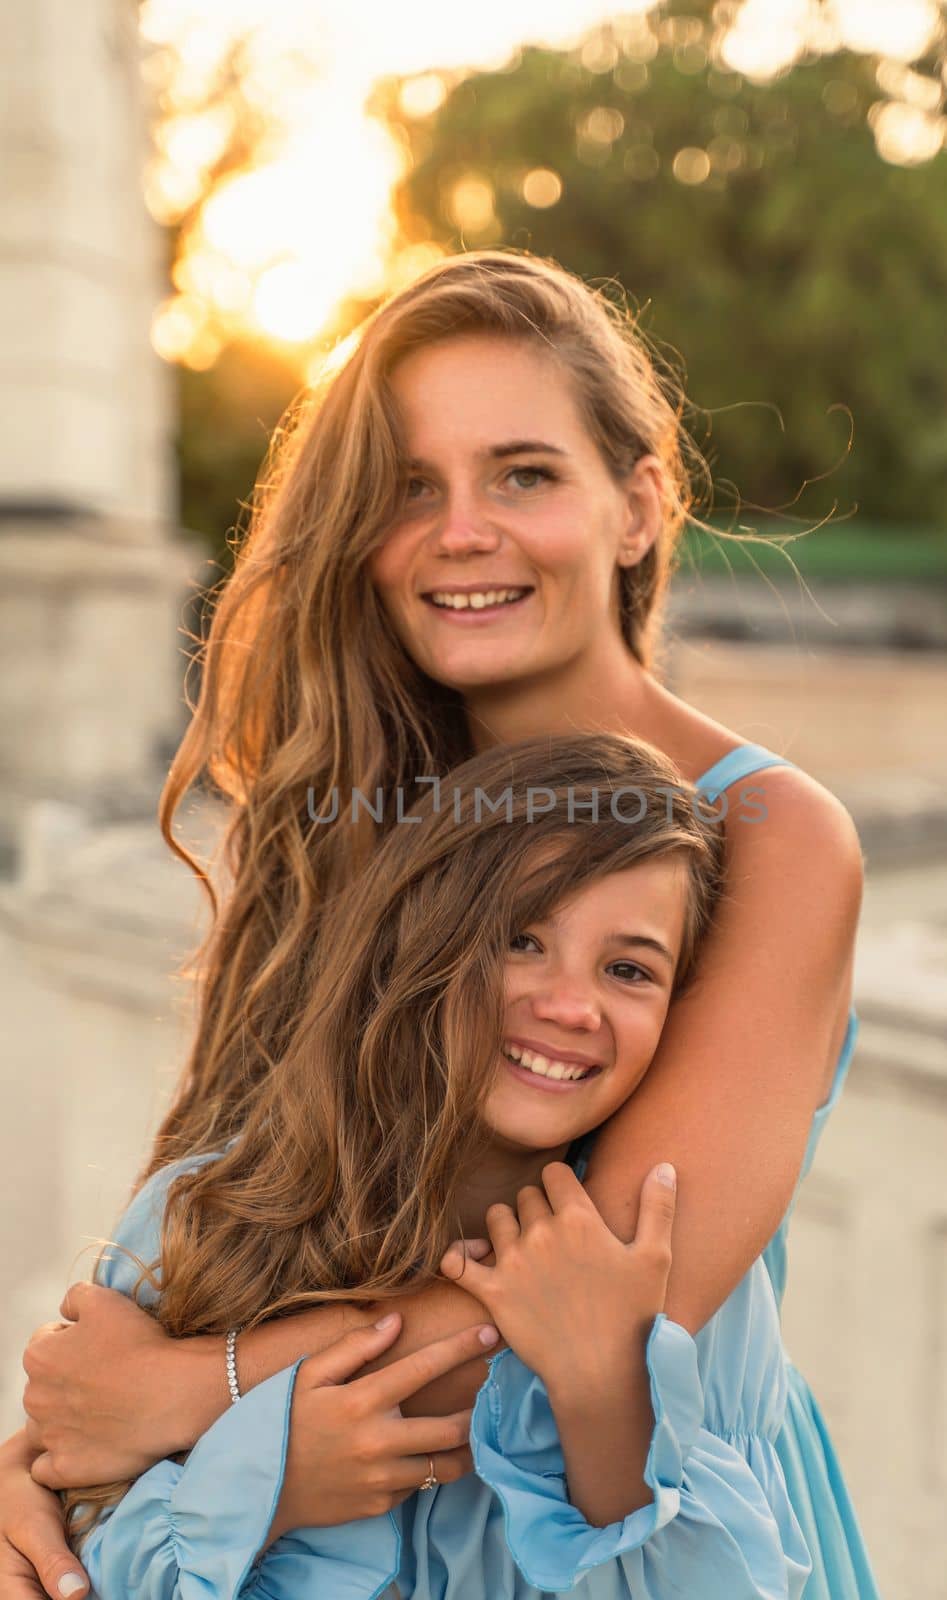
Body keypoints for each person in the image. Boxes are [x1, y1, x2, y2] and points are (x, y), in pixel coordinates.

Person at [9, 248, 879, 1600]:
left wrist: (192, 1397)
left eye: (522, 474)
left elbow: (601, 1311)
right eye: (410, 488)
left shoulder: (768, 834)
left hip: (635, 1534)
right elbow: (239, 1194)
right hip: (335, 1541)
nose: (458, 530)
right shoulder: (352, 805)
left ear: (638, 506)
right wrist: (65, 1461)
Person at [56, 734, 811, 1598]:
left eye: (628, 968)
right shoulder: (202, 1217)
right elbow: (80, 1556)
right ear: (419, 942)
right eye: (521, 940)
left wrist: (601, 1390)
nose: (568, 1005)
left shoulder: (677, 1268)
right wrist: (270, 1490)